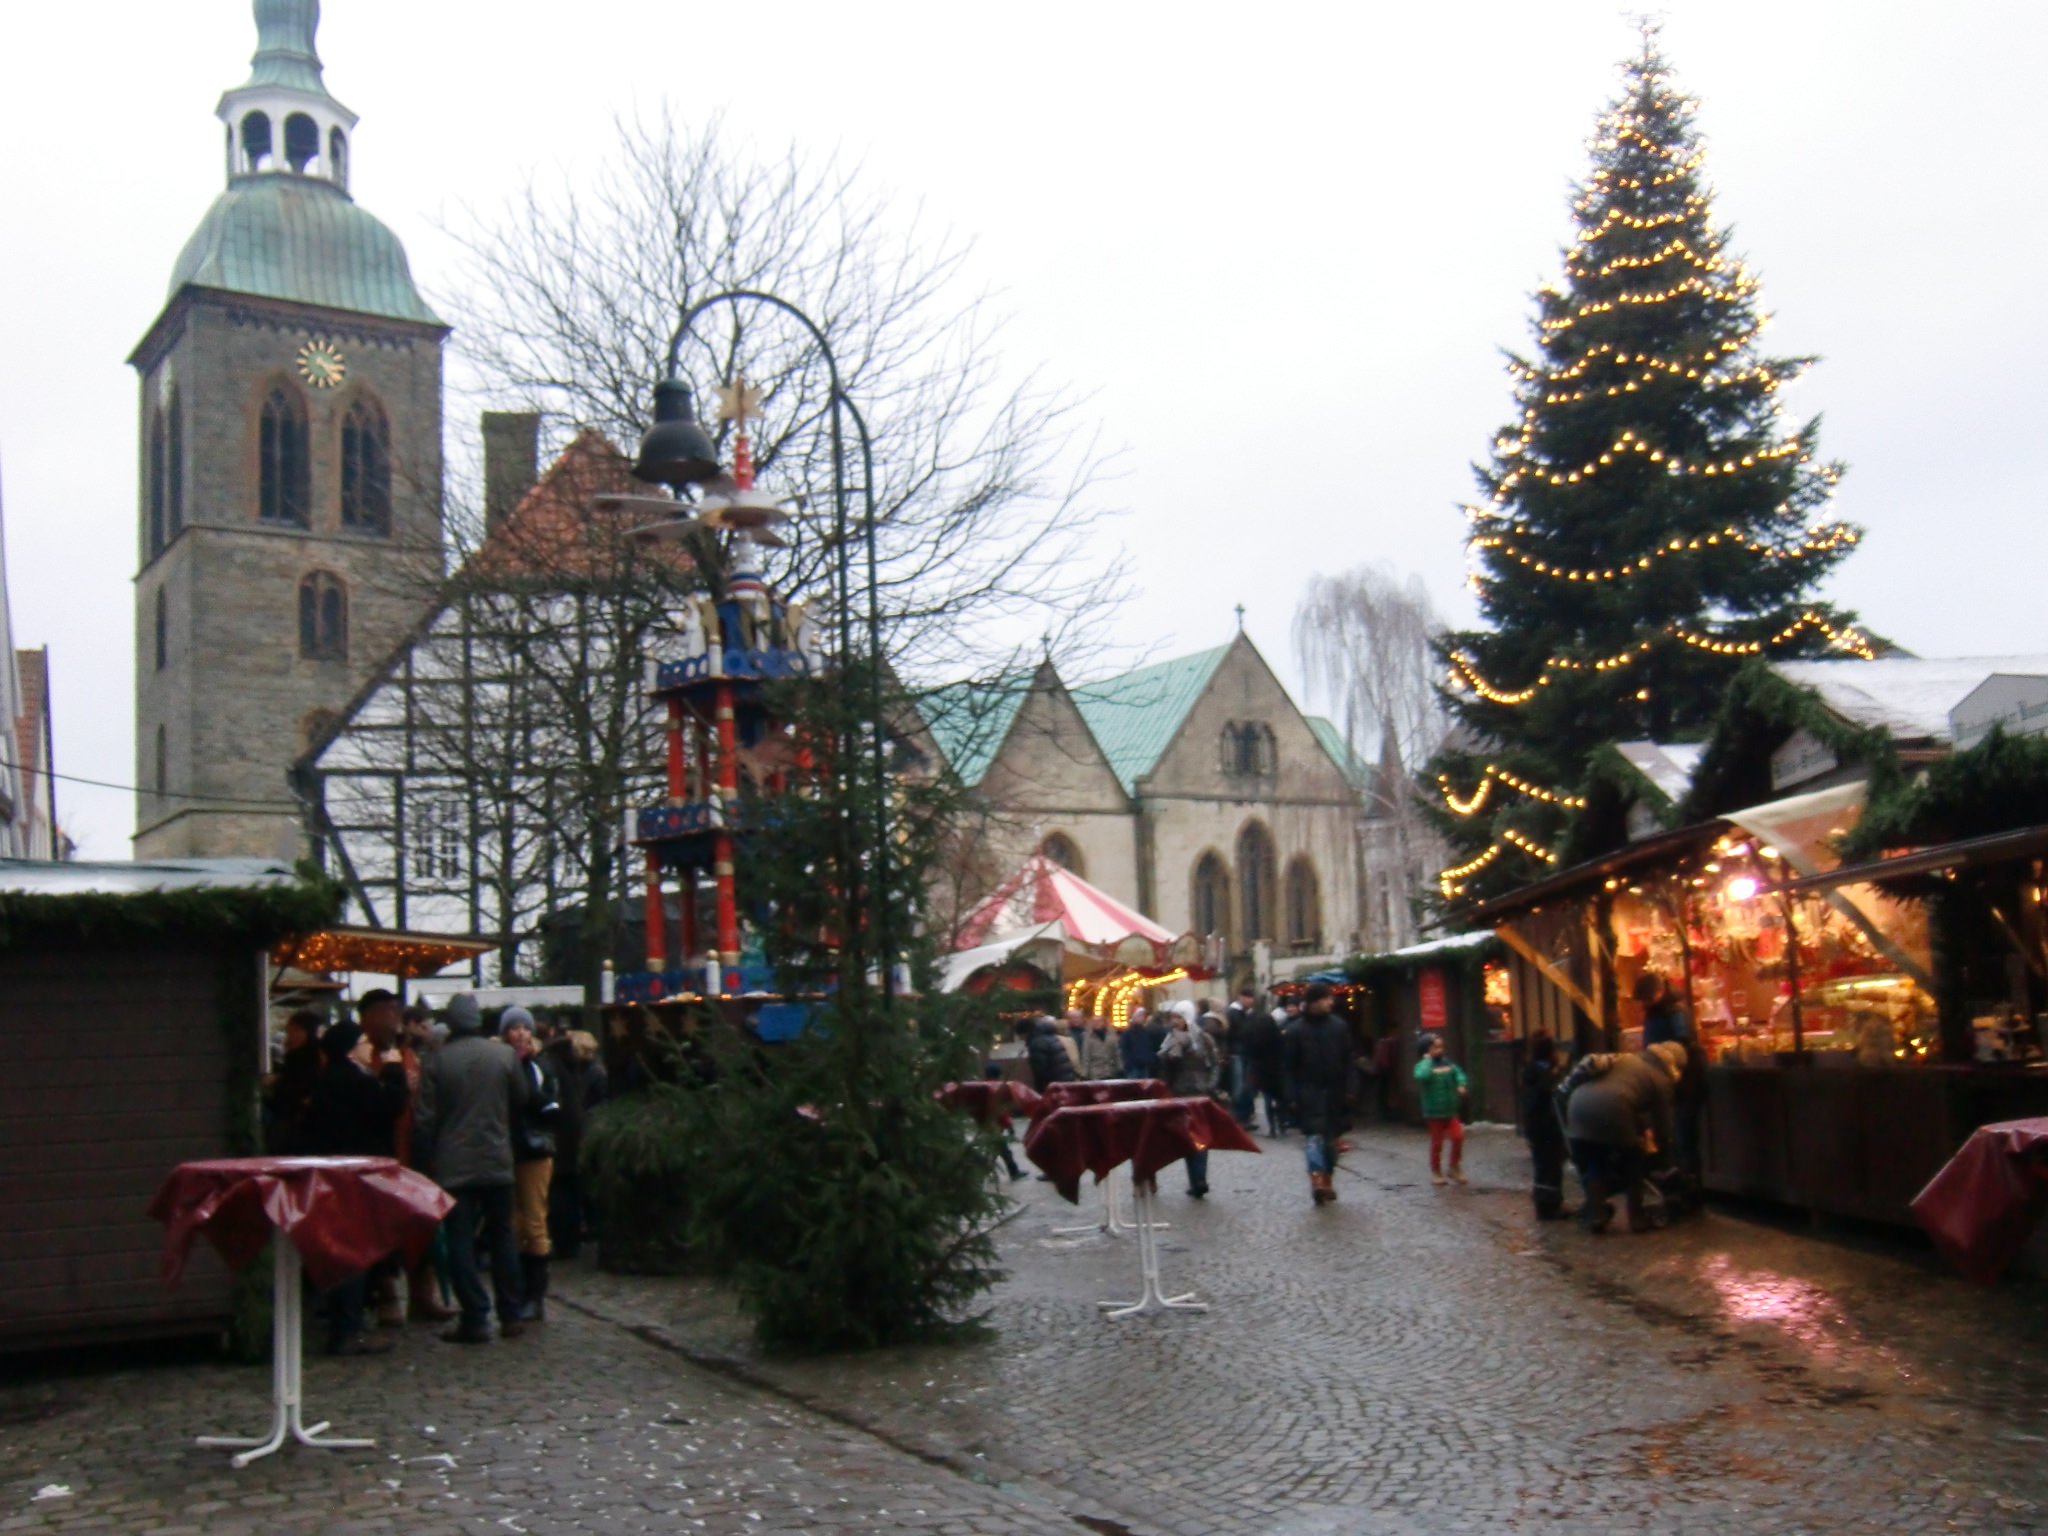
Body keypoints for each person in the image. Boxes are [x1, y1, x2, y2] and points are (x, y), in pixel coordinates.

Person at [415, 992, 529, 1343]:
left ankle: (475, 1316)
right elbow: (521, 1099)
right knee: (502, 1238)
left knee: (460, 1241)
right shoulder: (504, 1056)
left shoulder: (437, 1061)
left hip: (454, 1164)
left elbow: (424, 1118)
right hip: (497, 1159)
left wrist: (428, 1157)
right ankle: (511, 1313)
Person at [301, 1020, 409, 1355]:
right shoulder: (353, 1080)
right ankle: (348, 1328)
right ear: (350, 1049)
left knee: (344, 1249)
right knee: (354, 1251)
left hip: (334, 1176)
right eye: (362, 1041)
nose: (368, 1046)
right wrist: (394, 1070)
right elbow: (389, 1106)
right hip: (353, 1178)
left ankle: (346, 1323)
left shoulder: (328, 1079)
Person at [1559, 1040, 1684, 1234]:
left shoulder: (1628, 1060)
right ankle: (1637, 1217)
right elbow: (1662, 1123)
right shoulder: (1660, 1078)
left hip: (1577, 1107)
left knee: (1595, 1162)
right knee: (1633, 1162)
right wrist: (1665, 1158)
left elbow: (1630, 1094)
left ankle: (1597, 1213)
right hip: (1613, 1109)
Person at [501, 1008, 561, 1322]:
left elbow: (548, 1104)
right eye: (514, 1028)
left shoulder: (538, 1066)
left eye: (525, 1027)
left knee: (535, 1221)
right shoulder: (500, 1064)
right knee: (513, 1223)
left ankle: (534, 1298)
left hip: (534, 1151)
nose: (520, 1033)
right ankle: (518, 1290)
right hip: (506, 1150)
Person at [1283, 982, 1352, 1205]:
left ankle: (1327, 1177)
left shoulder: (1338, 1026)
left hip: (1334, 1092)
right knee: (1313, 1138)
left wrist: (1351, 1088)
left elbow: (1348, 1060)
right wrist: (1291, 1095)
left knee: (1330, 1142)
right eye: (1325, 998)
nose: (1330, 1002)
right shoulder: (1296, 1030)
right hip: (1308, 1092)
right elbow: (1288, 1067)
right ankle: (1317, 1179)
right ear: (1314, 1002)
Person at [546, 1028, 608, 1259]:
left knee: (567, 1192)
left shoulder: (582, 1072)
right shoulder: (576, 1071)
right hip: (575, 1138)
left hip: (570, 1139)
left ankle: (571, 1237)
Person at [1157, 1001, 1218, 1197]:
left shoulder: (1202, 1038)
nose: (1175, 1021)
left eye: (1179, 1017)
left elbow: (1215, 1063)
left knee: (1200, 1137)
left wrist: (1210, 1085)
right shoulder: (1170, 1040)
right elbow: (1165, 1071)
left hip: (1199, 1093)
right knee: (1186, 1138)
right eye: (1173, 1017)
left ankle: (1200, 1179)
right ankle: (1194, 1180)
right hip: (1179, 1093)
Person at [1521, 1032, 1570, 1219]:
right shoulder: (1545, 1074)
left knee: (1542, 1165)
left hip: (1536, 1126)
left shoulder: (1531, 1071)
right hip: (1547, 1126)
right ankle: (1549, 1205)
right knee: (1550, 1165)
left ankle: (1546, 1203)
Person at [265, 1008, 325, 1154]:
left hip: (296, 1119)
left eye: (293, 1031)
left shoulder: (304, 1057)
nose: (289, 1038)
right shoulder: (302, 1056)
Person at [1413, 1034, 1469, 1186]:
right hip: (1434, 1112)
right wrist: (1427, 1061)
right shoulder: (1423, 1065)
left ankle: (1454, 1166)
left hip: (1450, 1110)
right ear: (1426, 1050)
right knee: (1437, 1143)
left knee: (1458, 1136)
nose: (1440, 1050)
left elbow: (1459, 1073)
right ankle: (1436, 1170)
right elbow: (1422, 1076)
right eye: (1435, 1047)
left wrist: (1461, 1084)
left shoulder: (1448, 1063)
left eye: (1441, 1047)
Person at [1250, 996, 1294, 1135]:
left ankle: (1272, 1128)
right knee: (1280, 1099)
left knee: (1267, 1100)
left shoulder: (1256, 1038)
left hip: (1262, 1071)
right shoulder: (1278, 1036)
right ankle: (1282, 1124)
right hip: (1278, 1070)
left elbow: (1253, 1054)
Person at [1224, 987, 1262, 1128]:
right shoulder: (1234, 1013)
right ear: (1241, 997)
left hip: (1246, 1052)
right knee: (1239, 1086)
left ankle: (1245, 1116)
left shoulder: (1248, 1013)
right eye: (1248, 998)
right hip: (1237, 1053)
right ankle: (1239, 1117)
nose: (1250, 1001)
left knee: (1247, 1086)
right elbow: (1237, 1032)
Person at [1023, 1016, 1076, 1092]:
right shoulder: (1051, 1037)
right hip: (1065, 1079)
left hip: (1054, 1084)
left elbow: (1040, 1068)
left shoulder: (1037, 1042)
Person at [1637, 972, 1691, 1047]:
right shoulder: (1653, 1009)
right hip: (1655, 1051)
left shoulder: (1675, 1010)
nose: (1645, 1003)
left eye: (1647, 999)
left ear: (1660, 991)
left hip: (1670, 1052)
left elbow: (1681, 1039)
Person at [1119, 1004, 1164, 1080]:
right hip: (1133, 1067)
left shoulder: (1146, 1032)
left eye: (1143, 1016)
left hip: (1145, 1066)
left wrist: (1150, 1059)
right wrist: (1128, 1063)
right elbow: (1124, 1049)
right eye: (1139, 1016)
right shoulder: (1127, 1033)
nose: (1142, 1018)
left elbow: (1149, 1047)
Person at [1078, 1014, 1121, 1079]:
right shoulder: (1088, 1037)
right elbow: (1086, 1057)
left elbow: (1117, 1054)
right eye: (1094, 1021)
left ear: (1103, 1022)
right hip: (1095, 1073)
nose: (1096, 1023)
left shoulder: (1111, 1036)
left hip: (1110, 1071)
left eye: (1099, 1021)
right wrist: (1084, 1074)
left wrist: (1120, 1068)